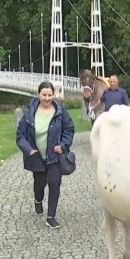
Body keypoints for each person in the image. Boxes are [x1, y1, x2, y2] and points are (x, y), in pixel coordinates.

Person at [16, 81, 76, 229]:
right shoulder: (29, 112)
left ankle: (51, 217)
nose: (47, 98)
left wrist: (62, 145)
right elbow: (20, 135)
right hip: (36, 156)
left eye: (50, 95)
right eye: (44, 95)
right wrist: (28, 149)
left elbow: (69, 129)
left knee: (55, 184)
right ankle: (38, 200)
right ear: (38, 94)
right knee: (39, 184)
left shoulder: (60, 111)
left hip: (54, 156)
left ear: (53, 95)